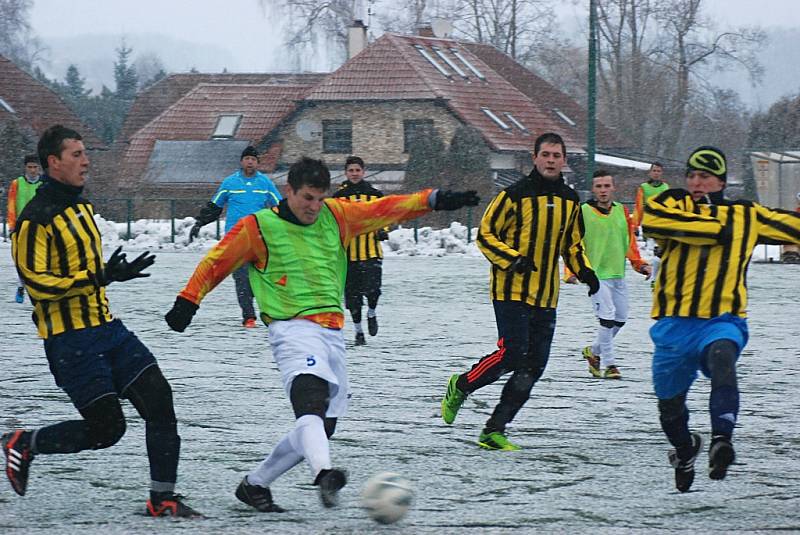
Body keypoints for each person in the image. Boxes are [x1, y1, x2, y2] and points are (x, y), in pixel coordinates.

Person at [165, 156, 478, 511]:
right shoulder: (258, 227)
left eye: (319, 198)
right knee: (309, 401)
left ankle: (255, 485)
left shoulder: (336, 215)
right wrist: (187, 301)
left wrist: (434, 199)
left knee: (321, 426)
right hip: (291, 327)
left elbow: (386, 208)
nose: (314, 207)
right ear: (289, 192)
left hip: (332, 330)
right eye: (307, 198)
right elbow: (216, 261)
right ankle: (324, 473)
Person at [2, 125, 201, 517]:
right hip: (69, 339)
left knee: (160, 400)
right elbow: (38, 285)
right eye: (76, 154)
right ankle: (25, 443)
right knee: (107, 430)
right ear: (53, 162)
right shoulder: (35, 219)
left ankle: (162, 498)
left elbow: (88, 269)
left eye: (84, 152)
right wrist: (97, 277)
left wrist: (112, 274)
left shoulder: (81, 206)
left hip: (108, 329)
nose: (86, 160)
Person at [642, 146, 800, 493]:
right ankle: (685, 452)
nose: (697, 183)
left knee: (723, 357)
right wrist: (716, 228)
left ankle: (721, 439)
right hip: (674, 324)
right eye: (692, 176)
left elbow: (794, 227)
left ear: (722, 182)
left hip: (722, 318)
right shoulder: (673, 202)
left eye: (706, 178)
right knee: (670, 408)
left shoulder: (747, 214)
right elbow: (652, 221)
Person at [440, 132, 599, 451]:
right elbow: (485, 236)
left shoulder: (570, 200)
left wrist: (585, 272)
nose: (551, 160)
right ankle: (462, 384)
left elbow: (572, 244)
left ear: (564, 160)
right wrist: (512, 260)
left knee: (535, 365)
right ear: (535, 158)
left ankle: (494, 429)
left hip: (546, 295)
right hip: (509, 290)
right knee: (513, 354)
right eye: (546, 155)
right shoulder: (513, 196)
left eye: (557, 155)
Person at [189, 145, 282, 327]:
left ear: (258, 163)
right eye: (247, 159)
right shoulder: (230, 183)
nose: (250, 162)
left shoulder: (265, 183)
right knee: (241, 279)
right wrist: (199, 222)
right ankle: (249, 317)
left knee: (263, 277)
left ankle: (270, 313)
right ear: (242, 162)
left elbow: (280, 206)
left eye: (253, 159)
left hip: (259, 239)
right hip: (235, 239)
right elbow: (215, 206)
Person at [578, 170, 651, 380]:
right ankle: (610, 365)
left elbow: (629, 242)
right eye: (599, 187)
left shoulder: (621, 211)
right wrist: (573, 271)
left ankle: (594, 352)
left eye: (606, 186)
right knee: (607, 317)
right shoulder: (583, 212)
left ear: (613, 188)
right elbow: (573, 242)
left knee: (620, 318)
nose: (603, 191)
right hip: (596, 275)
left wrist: (639, 264)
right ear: (593, 189)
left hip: (618, 274)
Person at [332, 156, 388, 345]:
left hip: (371, 252)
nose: (354, 174)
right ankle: (358, 332)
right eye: (351, 170)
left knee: (373, 290)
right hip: (348, 256)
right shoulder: (338, 198)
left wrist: (383, 230)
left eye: (357, 170)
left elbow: (385, 216)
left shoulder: (375, 195)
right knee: (352, 296)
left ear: (363, 172)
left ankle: (371, 312)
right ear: (346, 173)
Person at [7, 154, 43, 303]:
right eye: (30, 167)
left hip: (40, 227)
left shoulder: (43, 185)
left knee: (39, 258)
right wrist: (11, 226)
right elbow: (11, 205)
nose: (33, 170)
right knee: (21, 259)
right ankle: (22, 285)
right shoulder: (17, 184)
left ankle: (38, 287)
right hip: (20, 228)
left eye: (35, 167)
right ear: (25, 168)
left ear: (39, 168)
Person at [632, 162, 669, 232]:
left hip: (662, 223)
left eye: (658, 171)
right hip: (648, 221)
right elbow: (638, 207)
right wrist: (635, 224)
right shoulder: (643, 187)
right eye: (654, 171)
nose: (656, 173)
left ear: (661, 173)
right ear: (650, 172)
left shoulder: (665, 187)